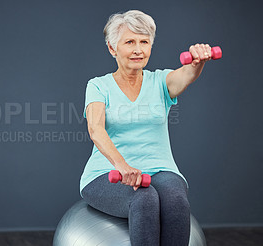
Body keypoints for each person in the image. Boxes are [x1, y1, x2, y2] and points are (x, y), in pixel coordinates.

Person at [80, 10, 212, 246]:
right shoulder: (98, 86)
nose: (138, 49)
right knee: (144, 199)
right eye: (129, 42)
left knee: (175, 200)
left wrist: (197, 63)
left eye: (144, 42)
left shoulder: (161, 81)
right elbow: (95, 129)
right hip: (105, 174)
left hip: (161, 169)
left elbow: (186, 75)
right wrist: (122, 167)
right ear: (112, 48)